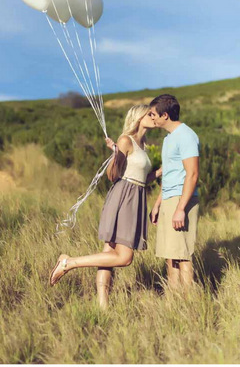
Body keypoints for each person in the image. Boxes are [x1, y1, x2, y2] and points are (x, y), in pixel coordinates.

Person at [49, 104, 161, 308]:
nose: (154, 117)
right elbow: (112, 175)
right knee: (125, 258)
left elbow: (141, 177)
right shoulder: (126, 140)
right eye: (150, 114)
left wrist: (160, 172)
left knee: (108, 253)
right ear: (139, 117)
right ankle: (69, 263)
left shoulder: (143, 144)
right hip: (124, 198)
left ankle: (102, 307)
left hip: (136, 197)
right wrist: (116, 154)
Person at [148, 94, 199, 290]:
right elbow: (169, 174)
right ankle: (173, 302)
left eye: (153, 114)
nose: (151, 118)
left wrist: (180, 208)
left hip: (181, 199)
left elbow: (192, 174)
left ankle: (188, 305)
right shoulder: (169, 139)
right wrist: (158, 204)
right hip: (170, 199)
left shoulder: (186, 135)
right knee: (171, 255)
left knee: (183, 254)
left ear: (165, 115)